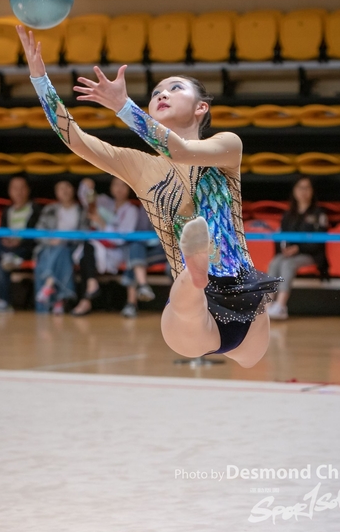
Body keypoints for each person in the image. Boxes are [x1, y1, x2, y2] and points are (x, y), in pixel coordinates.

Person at [17, 26, 281, 367]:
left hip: (247, 303)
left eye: (175, 88)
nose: (162, 94)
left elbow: (181, 151)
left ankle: (196, 272)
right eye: (156, 93)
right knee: (188, 301)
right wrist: (39, 79)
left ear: (201, 107)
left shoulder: (226, 147)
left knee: (249, 362)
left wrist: (123, 106)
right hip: (193, 313)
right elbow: (76, 140)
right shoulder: (140, 166)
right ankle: (196, 275)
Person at [70, 176, 139, 317]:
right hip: (96, 247)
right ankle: (90, 287)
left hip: (117, 251)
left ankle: (86, 299)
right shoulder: (104, 202)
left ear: (129, 189)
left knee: (87, 252)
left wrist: (102, 223)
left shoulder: (132, 210)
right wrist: (86, 185)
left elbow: (122, 239)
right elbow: (85, 198)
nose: (119, 189)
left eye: (123, 185)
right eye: (116, 185)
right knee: (86, 251)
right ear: (111, 187)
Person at [267, 177, 329, 320]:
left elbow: (319, 242)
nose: (303, 191)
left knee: (287, 264)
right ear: (294, 191)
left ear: (312, 191)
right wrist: (285, 248)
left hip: (311, 255)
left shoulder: (319, 214)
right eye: (300, 188)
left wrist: (298, 249)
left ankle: (281, 305)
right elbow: (282, 237)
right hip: (289, 254)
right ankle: (267, 305)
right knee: (275, 262)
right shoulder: (288, 215)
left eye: (307, 188)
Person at [0, 175, 41, 313]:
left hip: (26, 247)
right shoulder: (7, 211)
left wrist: (20, 240)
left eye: (22, 188)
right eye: (15, 188)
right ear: (10, 191)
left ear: (28, 190)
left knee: (2, 263)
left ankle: (3, 301)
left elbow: (36, 233)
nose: (19, 192)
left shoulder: (35, 209)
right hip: (8, 247)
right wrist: (6, 240)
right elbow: (2, 230)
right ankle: (8, 257)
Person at [34, 180, 88, 314]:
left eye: (67, 187)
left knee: (63, 250)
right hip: (49, 247)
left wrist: (64, 239)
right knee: (59, 253)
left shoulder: (81, 210)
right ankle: (59, 300)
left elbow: (85, 233)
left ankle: (48, 286)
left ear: (73, 190)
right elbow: (39, 231)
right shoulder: (49, 209)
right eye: (61, 188)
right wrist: (50, 241)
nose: (65, 191)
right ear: (56, 192)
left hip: (72, 247)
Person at [120, 203, 167, 318]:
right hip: (146, 249)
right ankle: (143, 286)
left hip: (165, 251)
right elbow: (140, 231)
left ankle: (132, 303)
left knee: (133, 259)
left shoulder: (170, 203)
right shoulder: (144, 205)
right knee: (135, 248)